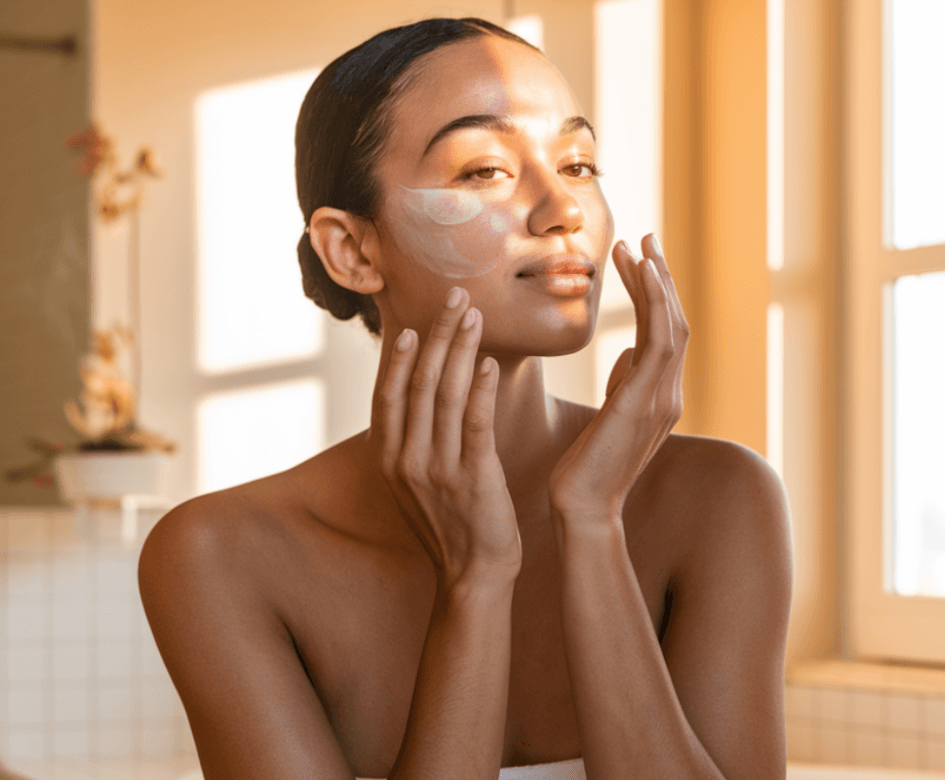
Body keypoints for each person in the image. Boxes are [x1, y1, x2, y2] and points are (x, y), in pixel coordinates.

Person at [139, 17, 792, 780]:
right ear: (352, 250)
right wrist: (475, 584)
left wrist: (591, 523)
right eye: (483, 171)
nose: (563, 211)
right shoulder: (217, 557)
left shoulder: (721, 499)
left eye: (577, 163)